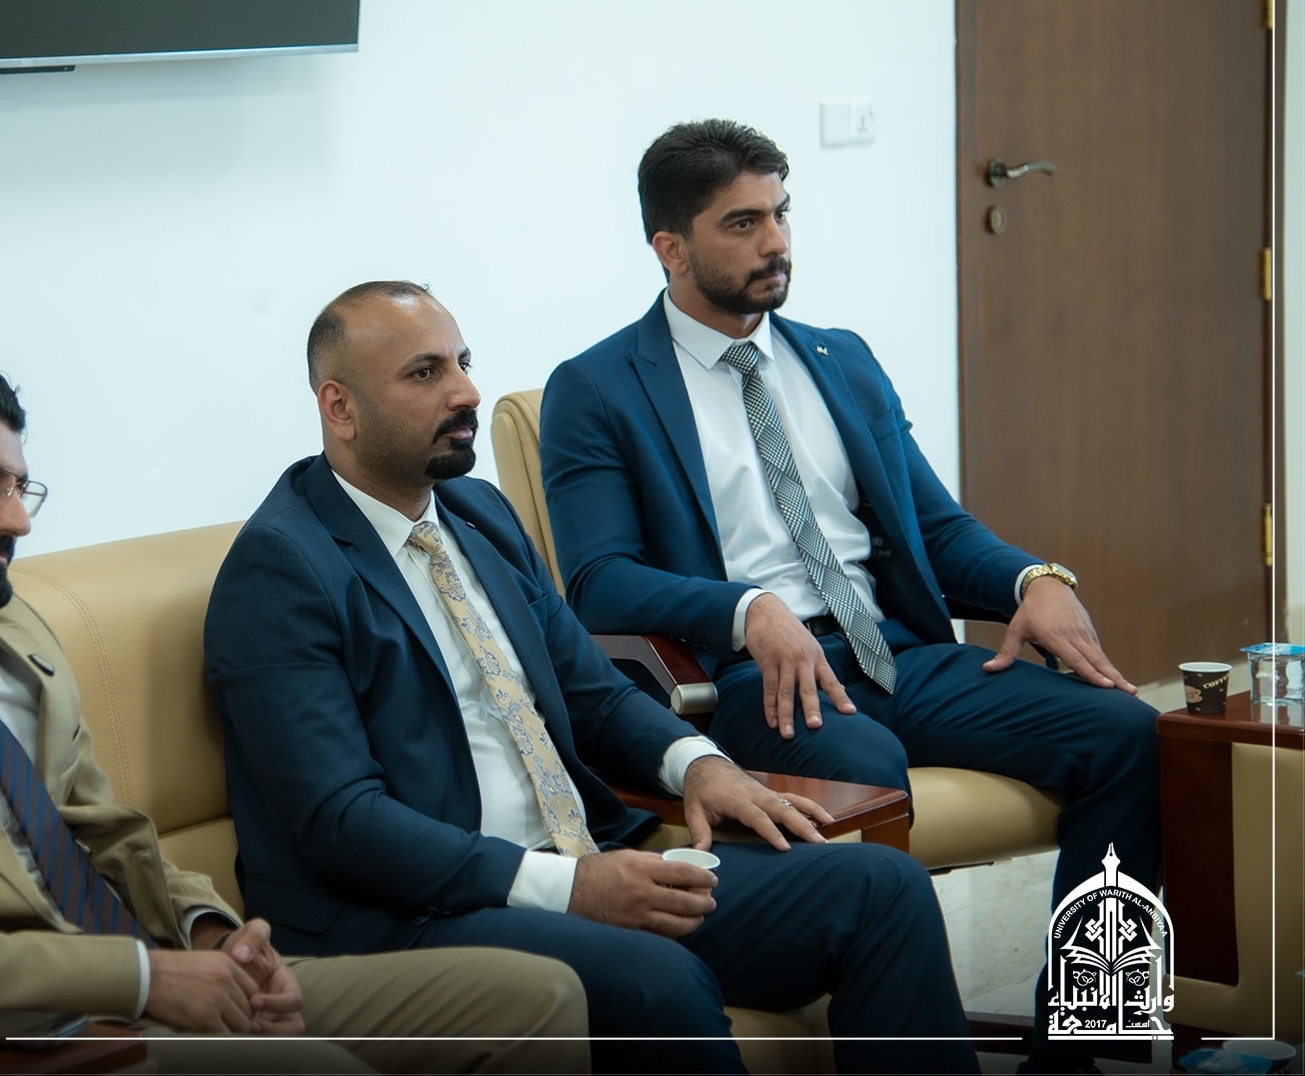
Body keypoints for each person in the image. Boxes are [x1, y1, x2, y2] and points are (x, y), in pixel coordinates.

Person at [0, 353, 590, 1075]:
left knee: (536, 998)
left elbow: (106, 829)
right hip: (28, 1028)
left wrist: (216, 935)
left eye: (20, 487)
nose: (18, 522)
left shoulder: (7, 628)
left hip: (163, 967)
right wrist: (143, 976)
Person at [204, 283, 980, 1075]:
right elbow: (342, 821)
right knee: (658, 978)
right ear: (340, 407)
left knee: (882, 889)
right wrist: (569, 886)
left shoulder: (477, 514)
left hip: (583, 854)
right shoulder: (282, 569)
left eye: (463, 363)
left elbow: (594, 694)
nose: (467, 392)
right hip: (413, 914)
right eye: (425, 373)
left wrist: (700, 764)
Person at [539, 118, 1162, 1072]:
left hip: (895, 653)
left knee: (1129, 732)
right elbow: (597, 578)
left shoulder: (841, 358)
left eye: (781, 213)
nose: (776, 241)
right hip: (760, 680)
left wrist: (1031, 579)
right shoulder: (597, 387)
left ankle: (1088, 1042)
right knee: (867, 762)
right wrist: (745, 607)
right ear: (670, 247)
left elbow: (935, 529)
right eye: (743, 223)